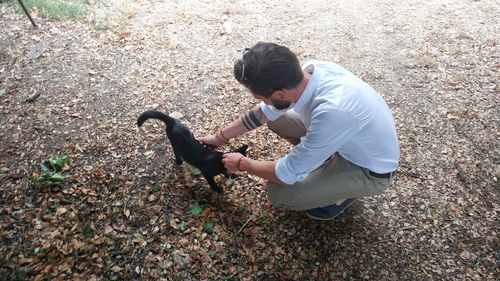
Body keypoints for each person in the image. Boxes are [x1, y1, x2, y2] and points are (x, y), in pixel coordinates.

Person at [197, 42, 400, 220]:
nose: (261, 102)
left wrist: (243, 163)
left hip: (369, 171)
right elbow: (264, 113)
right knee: (278, 119)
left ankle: (340, 198)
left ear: (280, 94)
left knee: (280, 194)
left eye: (260, 97)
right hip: (345, 139)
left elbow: (285, 174)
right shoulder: (311, 71)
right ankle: (322, 164)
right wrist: (218, 138)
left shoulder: (333, 111)